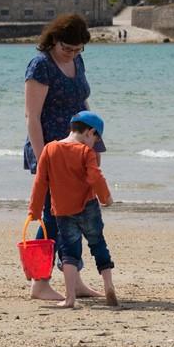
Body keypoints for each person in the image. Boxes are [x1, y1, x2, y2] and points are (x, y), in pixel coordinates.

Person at [23, 14, 99, 301]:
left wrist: (94, 139)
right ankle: (40, 283)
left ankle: (74, 279)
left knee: (77, 214)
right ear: (54, 40)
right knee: (51, 217)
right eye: (68, 48)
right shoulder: (40, 66)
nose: (72, 54)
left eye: (78, 49)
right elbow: (32, 118)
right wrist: (45, 160)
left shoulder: (77, 60)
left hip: (78, 149)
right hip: (51, 149)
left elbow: (82, 103)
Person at [28, 111, 116, 309]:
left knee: (69, 253)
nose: (94, 144)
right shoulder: (86, 152)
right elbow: (96, 177)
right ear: (90, 132)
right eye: (96, 139)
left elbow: (40, 183)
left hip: (62, 211)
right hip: (88, 208)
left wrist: (34, 210)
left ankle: (69, 298)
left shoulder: (49, 150)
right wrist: (106, 198)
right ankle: (109, 286)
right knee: (98, 245)